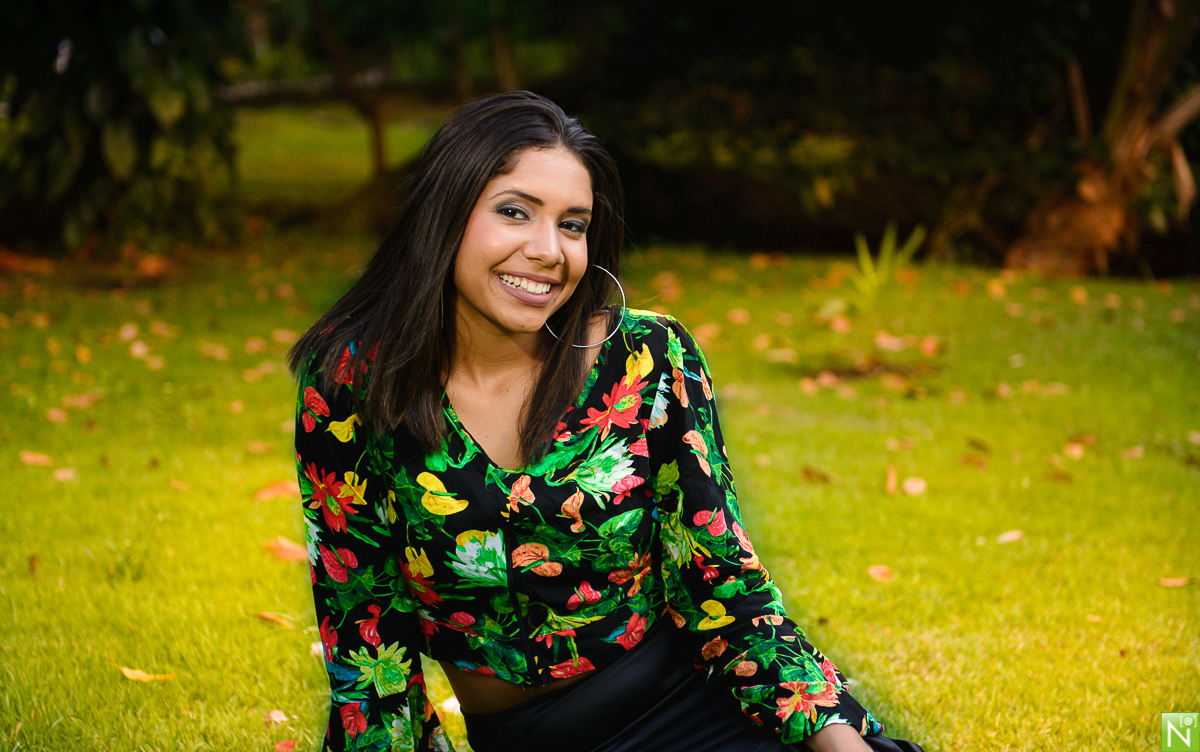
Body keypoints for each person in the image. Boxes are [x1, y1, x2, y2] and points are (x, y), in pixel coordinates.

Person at [289, 91, 923, 752]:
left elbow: (723, 582)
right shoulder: (353, 380)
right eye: (515, 212)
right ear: (445, 213)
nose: (549, 250)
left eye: (573, 225)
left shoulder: (648, 358)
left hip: (694, 706)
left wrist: (837, 741)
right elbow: (364, 629)